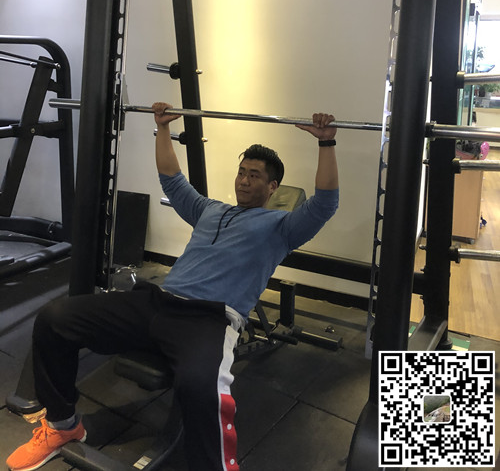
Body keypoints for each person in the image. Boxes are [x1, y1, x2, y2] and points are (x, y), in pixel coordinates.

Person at [7, 102, 339, 471]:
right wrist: (162, 128)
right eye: (242, 172)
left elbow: (325, 204)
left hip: (207, 319)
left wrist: (326, 143)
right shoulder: (210, 210)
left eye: (255, 176)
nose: (244, 180)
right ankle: (63, 426)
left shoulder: (281, 227)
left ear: (272, 187)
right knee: (55, 318)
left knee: (202, 385)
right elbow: (172, 178)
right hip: (157, 302)